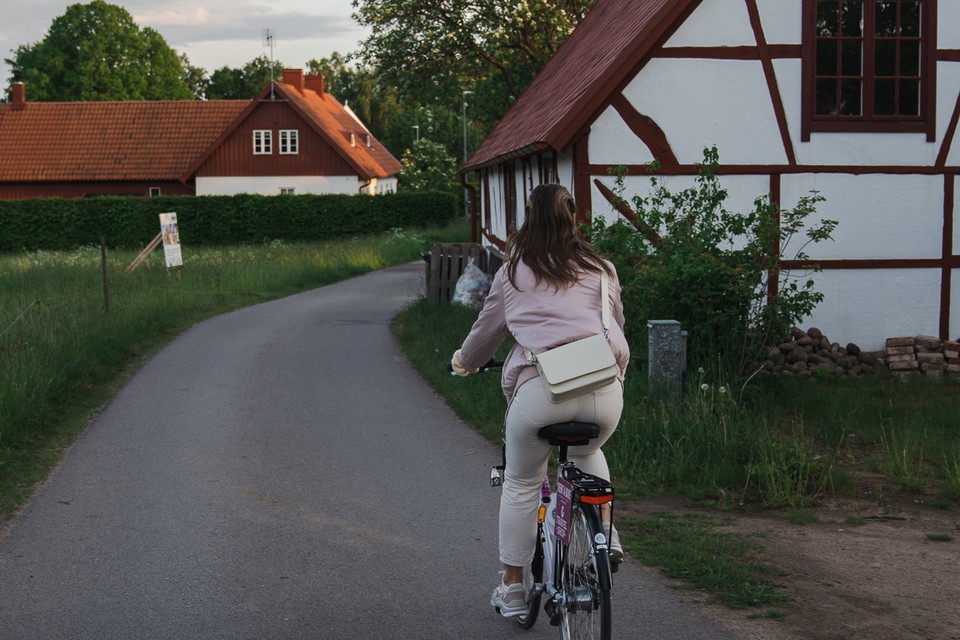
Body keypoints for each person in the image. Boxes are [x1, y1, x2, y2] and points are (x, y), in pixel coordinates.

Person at [450, 183, 629, 618]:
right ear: (573, 219)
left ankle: (513, 588)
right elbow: (618, 329)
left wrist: (465, 362)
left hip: (542, 393)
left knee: (523, 482)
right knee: (590, 451)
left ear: (528, 219)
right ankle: (607, 539)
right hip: (602, 393)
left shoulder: (513, 271)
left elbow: (485, 334)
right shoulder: (601, 268)